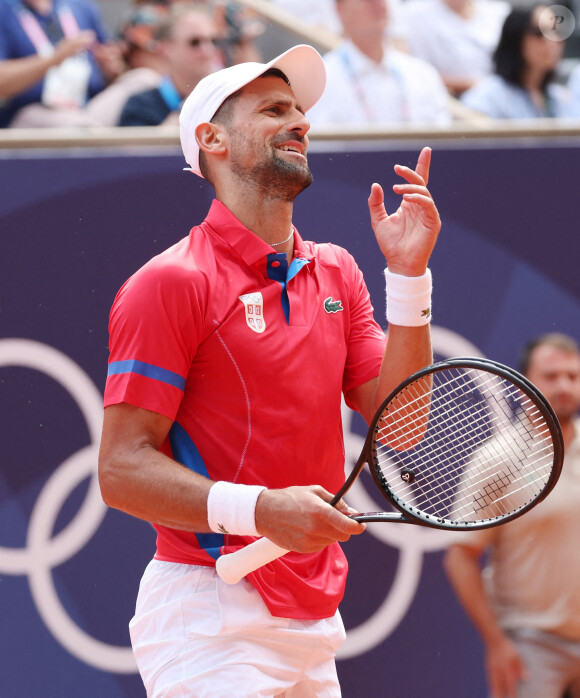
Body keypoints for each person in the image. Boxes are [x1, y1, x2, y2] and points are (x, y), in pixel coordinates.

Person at [98, 44, 441, 696]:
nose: (300, 121)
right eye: (274, 109)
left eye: (301, 110)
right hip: (208, 614)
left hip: (312, 616)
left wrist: (408, 276)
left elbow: (404, 426)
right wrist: (260, 510)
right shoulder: (171, 283)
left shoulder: (338, 271)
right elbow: (120, 471)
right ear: (213, 139)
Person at [444, 332, 580, 698]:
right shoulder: (497, 459)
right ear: (524, 386)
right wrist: (497, 642)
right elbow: (461, 558)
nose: (564, 385)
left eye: (573, 376)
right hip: (530, 643)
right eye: (551, 376)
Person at [307, 0, 451, 128]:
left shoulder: (423, 74)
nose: (378, 3)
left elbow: (442, 142)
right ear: (340, 9)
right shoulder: (322, 80)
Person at [0, 0, 124, 127]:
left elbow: (110, 69)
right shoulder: (5, 9)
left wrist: (110, 69)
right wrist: (55, 58)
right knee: (79, 127)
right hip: (33, 113)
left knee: (140, 79)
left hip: (88, 109)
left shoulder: (81, 6)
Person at [118, 2, 223, 127]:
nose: (208, 50)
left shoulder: (228, 101)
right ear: (165, 49)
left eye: (213, 41)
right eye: (194, 42)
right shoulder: (139, 106)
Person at [460, 5, 571, 118]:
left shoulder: (560, 98)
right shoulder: (487, 98)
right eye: (539, 32)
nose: (552, 42)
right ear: (516, 37)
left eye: (557, 32)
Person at [395, 0, 510, 96]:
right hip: (445, 102)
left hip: (502, 99)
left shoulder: (499, 12)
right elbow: (410, 75)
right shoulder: (412, 15)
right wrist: (470, 85)